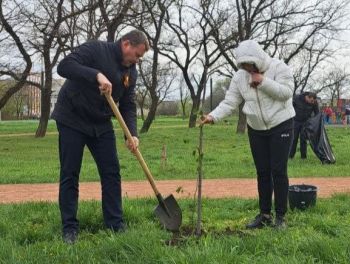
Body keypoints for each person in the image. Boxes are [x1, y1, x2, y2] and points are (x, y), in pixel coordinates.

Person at [51, 30, 149, 244]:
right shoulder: (96, 49)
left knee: (112, 171)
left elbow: (128, 104)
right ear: (126, 44)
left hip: (101, 123)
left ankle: (115, 224)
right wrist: (96, 75)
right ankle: (69, 228)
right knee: (70, 173)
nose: (137, 60)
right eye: (137, 55)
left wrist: (131, 133)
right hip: (72, 118)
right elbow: (64, 67)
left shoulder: (131, 72)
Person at [201, 40, 295, 229]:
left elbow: (286, 93)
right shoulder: (239, 77)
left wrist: (263, 82)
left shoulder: (279, 68)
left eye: (250, 64)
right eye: (243, 65)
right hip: (256, 128)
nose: (247, 69)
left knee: (278, 171)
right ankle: (265, 214)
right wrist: (213, 116)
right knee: (262, 172)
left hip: (281, 125)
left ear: (258, 59)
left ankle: (281, 217)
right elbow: (230, 102)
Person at [289, 92, 319, 159]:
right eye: (311, 101)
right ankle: (290, 156)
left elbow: (317, 113)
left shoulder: (314, 102)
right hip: (295, 121)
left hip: (306, 122)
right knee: (294, 139)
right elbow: (290, 107)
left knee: (303, 139)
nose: (312, 102)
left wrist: (317, 122)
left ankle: (303, 157)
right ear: (307, 97)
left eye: (314, 101)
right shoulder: (297, 98)